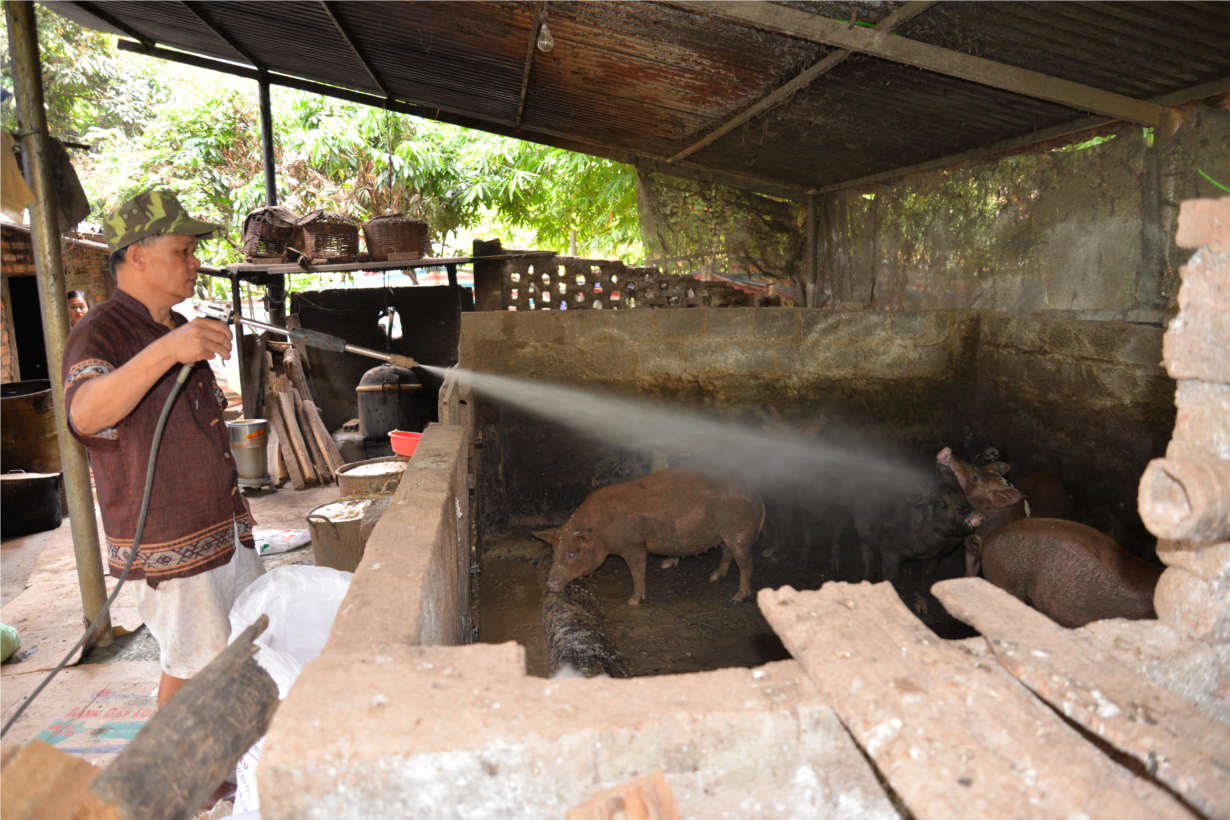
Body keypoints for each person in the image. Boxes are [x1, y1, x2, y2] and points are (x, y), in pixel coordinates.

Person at [62, 190, 262, 708]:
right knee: (193, 668)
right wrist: (168, 351)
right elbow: (85, 413)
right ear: (137, 254)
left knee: (240, 649)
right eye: (183, 251)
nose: (196, 263)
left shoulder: (173, 325)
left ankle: (225, 766)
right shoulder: (100, 331)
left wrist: (179, 342)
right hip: (170, 539)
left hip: (219, 526)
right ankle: (175, 780)